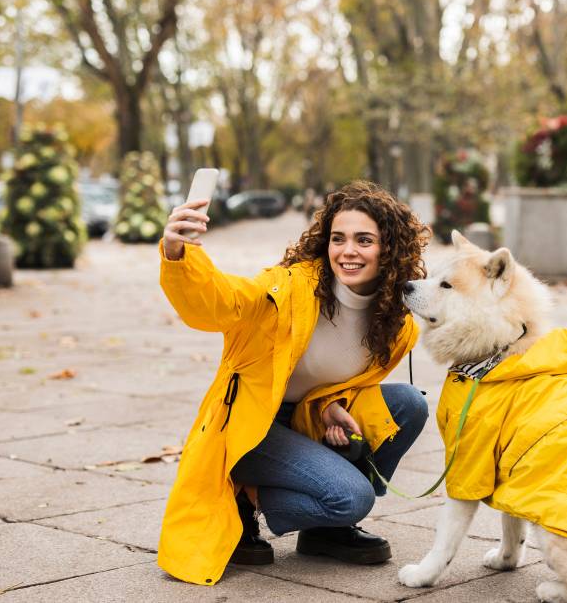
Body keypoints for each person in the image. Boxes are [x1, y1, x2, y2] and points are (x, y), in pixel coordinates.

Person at [156, 180, 431, 586]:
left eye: (364, 240)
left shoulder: (396, 323)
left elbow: (351, 381)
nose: (347, 251)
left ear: (390, 248)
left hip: (308, 419)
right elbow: (220, 303)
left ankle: (326, 531)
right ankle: (240, 501)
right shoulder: (289, 288)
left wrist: (332, 402)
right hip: (253, 427)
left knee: (409, 403)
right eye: (338, 238)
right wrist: (179, 251)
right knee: (352, 497)